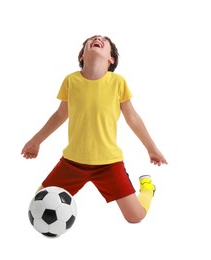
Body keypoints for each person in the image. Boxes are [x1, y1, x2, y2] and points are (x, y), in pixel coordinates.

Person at [21, 35, 168, 223]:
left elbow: (133, 118)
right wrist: (35, 141)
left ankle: (148, 188)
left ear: (111, 59)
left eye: (103, 41)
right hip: (72, 162)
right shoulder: (70, 81)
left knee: (135, 216)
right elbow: (60, 115)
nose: (97, 39)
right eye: (91, 40)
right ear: (82, 56)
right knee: (38, 203)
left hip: (109, 164)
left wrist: (151, 148)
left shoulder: (118, 82)